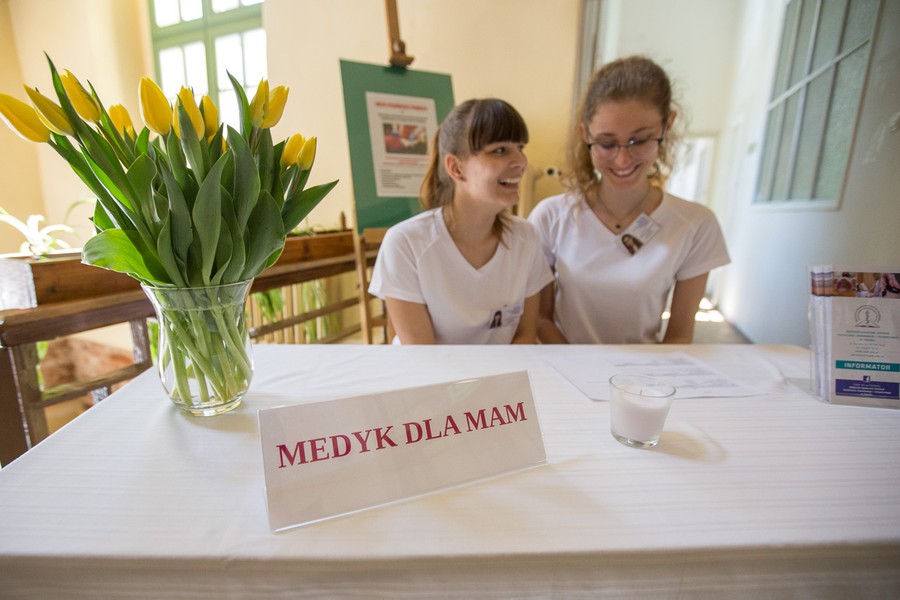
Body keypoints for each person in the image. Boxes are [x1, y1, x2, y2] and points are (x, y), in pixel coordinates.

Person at [528, 56, 730, 344]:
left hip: (646, 371)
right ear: (585, 134)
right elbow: (540, 319)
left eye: (640, 140)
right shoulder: (551, 216)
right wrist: (581, 366)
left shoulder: (696, 224)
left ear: (667, 126)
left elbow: (679, 336)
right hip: (565, 365)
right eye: (606, 143)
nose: (622, 160)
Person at [369, 98, 553, 344]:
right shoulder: (406, 243)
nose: (521, 162)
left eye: (520, 147)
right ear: (456, 168)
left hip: (502, 370)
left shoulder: (526, 238)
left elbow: (524, 335)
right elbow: (423, 356)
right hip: (430, 370)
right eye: (500, 150)